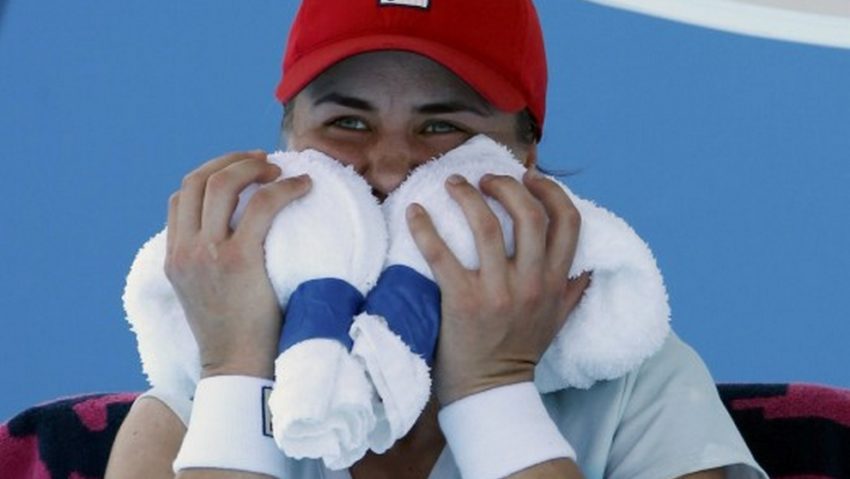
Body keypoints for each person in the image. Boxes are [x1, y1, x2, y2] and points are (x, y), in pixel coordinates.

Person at [106, 1, 767, 478]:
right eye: (348, 121)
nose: (390, 167)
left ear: (523, 153)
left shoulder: (636, 385)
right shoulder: (200, 387)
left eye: (440, 127)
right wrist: (235, 376)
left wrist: (494, 389)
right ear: (288, 146)